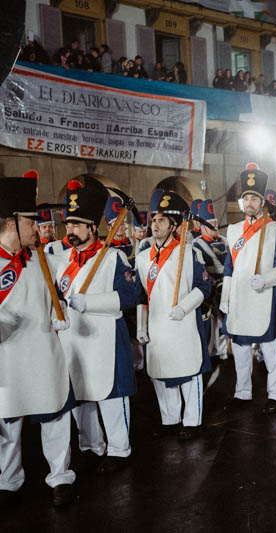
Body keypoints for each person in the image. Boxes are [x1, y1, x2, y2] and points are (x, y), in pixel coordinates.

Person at [0, 172, 75, 507]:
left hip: (44, 351)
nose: (37, 227)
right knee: (8, 421)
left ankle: (60, 476)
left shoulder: (43, 258)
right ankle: (8, 480)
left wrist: (63, 309)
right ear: (10, 223)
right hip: (8, 356)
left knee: (54, 414)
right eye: (30, 221)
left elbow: (63, 292)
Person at [55, 180, 139, 473]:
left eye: (77, 225)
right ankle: (92, 446)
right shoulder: (63, 261)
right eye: (68, 224)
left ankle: (119, 449)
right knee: (82, 398)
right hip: (74, 341)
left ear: (93, 228)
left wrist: (90, 302)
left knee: (112, 396)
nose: (70, 230)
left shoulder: (113, 258)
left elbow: (130, 295)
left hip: (106, 339)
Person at [135, 190, 211, 439]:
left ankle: (192, 421)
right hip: (157, 325)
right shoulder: (142, 258)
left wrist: (184, 307)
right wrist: (141, 326)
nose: (155, 225)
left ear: (173, 225)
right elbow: (140, 295)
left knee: (188, 370)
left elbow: (203, 287)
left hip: (183, 322)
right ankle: (170, 418)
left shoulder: (188, 253)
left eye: (161, 220)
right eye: (153, 220)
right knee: (161, 372)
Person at [219, 164, 276, 413]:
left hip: (264, 295)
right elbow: (229, 267)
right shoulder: (233, 231)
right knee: (240, 348)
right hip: (239, 297)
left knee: (270, 348)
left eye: (254, 198)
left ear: (262, 202)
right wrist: (225, 297)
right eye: (246, 198)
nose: (249, 203)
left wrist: (266, 279)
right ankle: (242, 392)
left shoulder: (274, 229)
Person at [192, 199, 230, 361]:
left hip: (227, 287)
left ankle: (223, 350)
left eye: (215, 223)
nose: (214, 226)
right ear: (202, 227)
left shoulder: (225, 241)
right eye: (210, 224)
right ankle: (210, 352)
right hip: (210, 290)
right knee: (212, 323)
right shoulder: (196, 244)